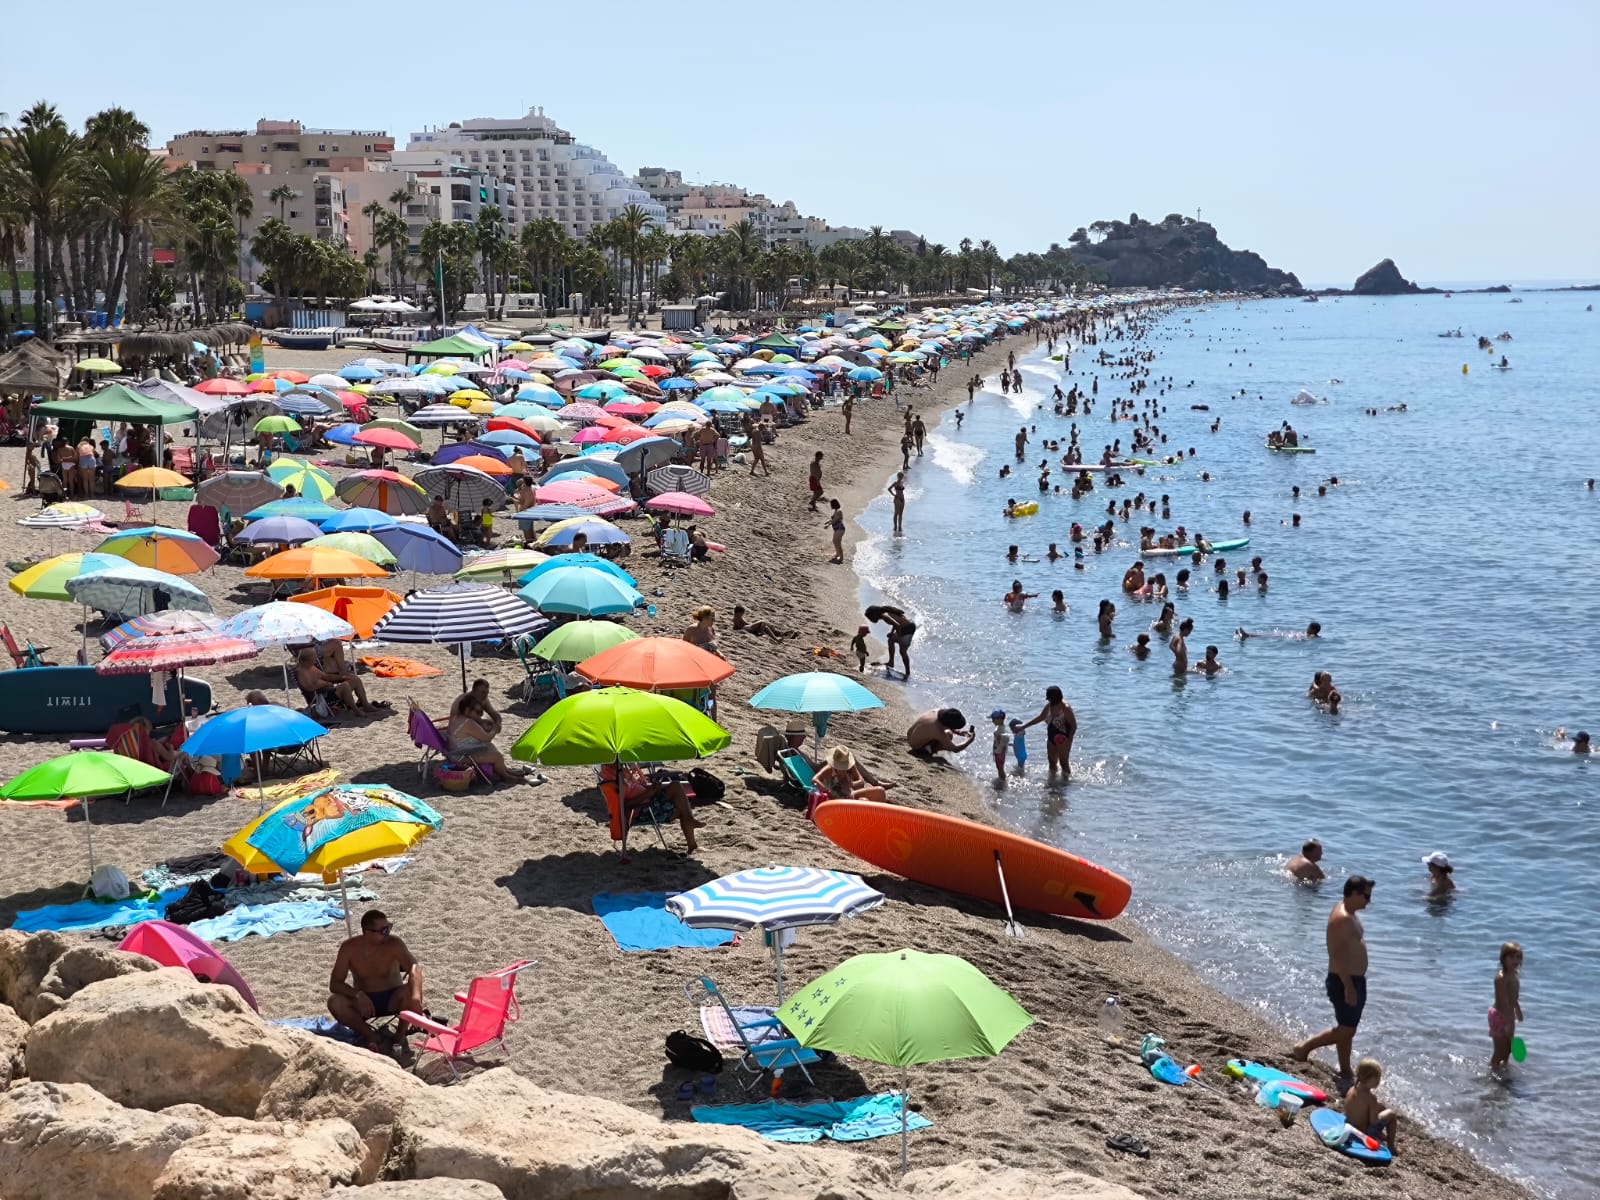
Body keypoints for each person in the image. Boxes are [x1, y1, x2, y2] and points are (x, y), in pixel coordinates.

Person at [1291, 875, 1374, 1081]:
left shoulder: (1349, 912)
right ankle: (1304, 1048)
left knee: (1347, 1029)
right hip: (1343, 980)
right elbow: (1335, 954)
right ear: (1353, 893)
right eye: (1365, 896)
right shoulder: (1342, 918)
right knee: (1346, 1029)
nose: (1368, 901)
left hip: (1353, 980)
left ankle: (1345, 1069)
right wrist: (1348, 987)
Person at [327, 909, 424, 1054]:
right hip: (366, 1002)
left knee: (410, 990)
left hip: (393, 998)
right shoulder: (349, 948)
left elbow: (414, 968)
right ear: (368, 933)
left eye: (389, 927)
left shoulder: (394, 944)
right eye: (383, 930)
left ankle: (399, 1036)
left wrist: (416, 997)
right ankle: (372, 1036)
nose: (388, 933)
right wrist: (357, 994)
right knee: (335, 1002)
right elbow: (335, 984)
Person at [601, 762, 703, 852]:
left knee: (676, 788)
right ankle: (691, 834)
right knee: (681, 807)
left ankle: (691, 830)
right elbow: (624, 806)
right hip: (641, 810)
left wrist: (651, 788)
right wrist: (648, 793)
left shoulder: (620, 770)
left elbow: (635, 787)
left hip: (648, 801)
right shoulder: (612, 780)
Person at [446, 681, 526, 782]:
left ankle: (505, 770)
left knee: (490, 747)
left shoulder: (464, 713)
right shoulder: (464, 712)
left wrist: (490, 723)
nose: (485, 695)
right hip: (461, 754)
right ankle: (505, 776)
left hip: (459, 747)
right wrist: (494, 729)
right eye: (482, 692)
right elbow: (486, 737)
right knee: (496, 756)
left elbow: (494, 716)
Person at [1016, 685, 1076, 779]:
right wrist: (1024, 726)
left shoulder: (1065, 708)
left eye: (1049, 698)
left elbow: (1073, 725)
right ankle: (1052, 783)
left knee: (1063, 762)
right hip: (1051, 735)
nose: (1048, 700)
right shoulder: (1049, 706)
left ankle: (1065, 785)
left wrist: (1069, 740)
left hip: (1063, 737)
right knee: (1051, 762)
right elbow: (1041, 718)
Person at [1343, 1059, 1398, 1155]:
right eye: (1377, 1078)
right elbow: (1374, 1121)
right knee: (1391, 1114)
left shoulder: (1351, 1089)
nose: (1379, 1081)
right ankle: (1391, 1146)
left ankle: (1381, 1134)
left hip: (1350, 1127)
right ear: (1369, 1078)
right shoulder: (1371, 1098)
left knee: (1381, 1107)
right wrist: (1377, 1115)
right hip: (1364, 1133)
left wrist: (1376, 1109)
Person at [297, 647, 375, 715]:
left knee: (355, 679)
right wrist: (325, 684)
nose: (315, 659)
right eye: (313, 658)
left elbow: (326, 676)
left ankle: (365, 705)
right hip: (321, 697)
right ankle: (356, 710)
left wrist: (342, 677)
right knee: (345, 686)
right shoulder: (301, 672)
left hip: (327, 690)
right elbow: (309, 688)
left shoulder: (310, 666)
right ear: (306, 660)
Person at [1489, 942, 1525, 1070]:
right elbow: (1503, 1001)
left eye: (1517, 957)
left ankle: (1504, 1069)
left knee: (1509, 1048)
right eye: (1511, 957)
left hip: (1509, 1016)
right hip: (1500, 1016)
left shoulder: (1514, 975)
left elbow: (1513, 997)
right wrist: (1506, 1023)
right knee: (1500, 1050)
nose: (1515, 960)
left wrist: (1518, 1010)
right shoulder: (1501, 978)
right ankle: (1493, 1071)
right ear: (1503, 958)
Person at [814, 746, 888, 803]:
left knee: (880, 791)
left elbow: (861, 782)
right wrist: (827, 792)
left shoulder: (850, 767)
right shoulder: (829, 768)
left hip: (849, 795)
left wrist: (850, 784)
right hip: (834, 799)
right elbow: (815, 780)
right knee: (863, 801)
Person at [865, 604, 916, 679]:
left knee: (902, 651)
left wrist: (900, 637)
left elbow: (897, 625)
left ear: (874, 614)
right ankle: (891, 662)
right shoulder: (885, 613)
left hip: (908, 629)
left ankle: (907, 672)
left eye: (870, 617)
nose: (871, 619)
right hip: (907, 626)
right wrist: (892, 633)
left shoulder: (885, 616)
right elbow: (895, 623)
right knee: (891, 640)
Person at [906, 708, 975, 758]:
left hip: (910, 735)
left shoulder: (936, 711)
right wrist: (969, 740)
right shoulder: (938, 731)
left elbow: (942, 724)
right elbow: (955, 749)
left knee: (947, 733)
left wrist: (958, 732)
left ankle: (927, 746)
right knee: (949, 735)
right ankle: (929, 751)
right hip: (915, 745)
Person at [731, 606, 798, 640]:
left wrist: (754, 623)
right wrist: (753, 624)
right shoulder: (736, 618)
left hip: (747, 627)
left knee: (765, 626)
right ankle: (763, 633)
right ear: (738, 612)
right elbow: (743, 625)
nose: (742, 614)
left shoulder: (737, 617)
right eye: (742, 613)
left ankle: (778, 636)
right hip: (747, 628)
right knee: (762, 621)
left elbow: (743, 624)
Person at [989, 709, 1010, 782]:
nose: (992, 721)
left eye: (993, 719)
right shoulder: (999, 727)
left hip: (1000, 752)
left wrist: (1002, 753)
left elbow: (1005, 742)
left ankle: (1003, 780)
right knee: (999, 767)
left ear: (1000, 719)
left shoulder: (1001, 730)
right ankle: (1001, 779)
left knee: (1000, 768)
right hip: (997, 751)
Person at [825, 498, 845, 564]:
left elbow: (835, 520)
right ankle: (837, 553)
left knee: (838, 542)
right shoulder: (836, 510)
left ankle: (841, 558)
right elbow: (833, 519)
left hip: (840, 529)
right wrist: (828, 521)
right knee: (834, 541)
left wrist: (828, 525)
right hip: (837, 529)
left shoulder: (839, 511)